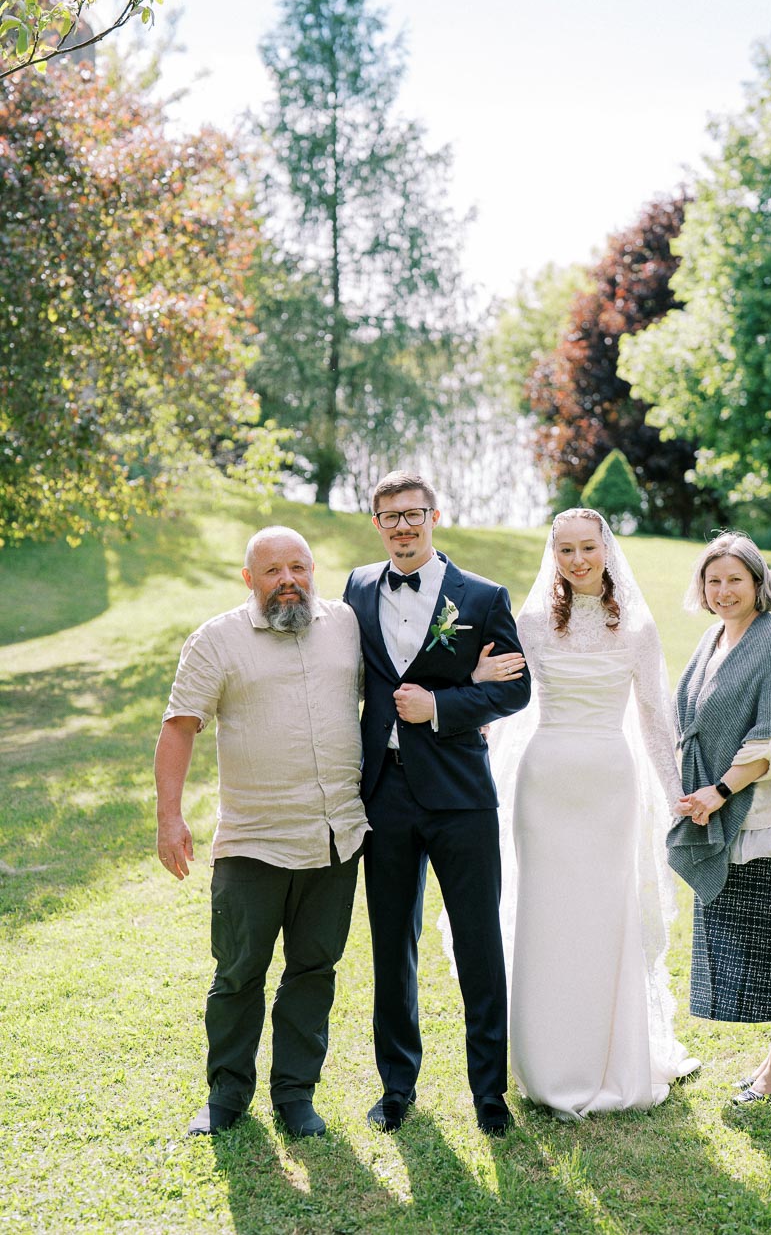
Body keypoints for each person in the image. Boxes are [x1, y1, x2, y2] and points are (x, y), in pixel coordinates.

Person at [471, 508, 699, 1117]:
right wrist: (474, 695)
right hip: (546, 782)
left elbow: (654, 715)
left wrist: (677, 790)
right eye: (565, 549)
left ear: (606, 549)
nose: (576, 560)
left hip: (608, 782)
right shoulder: (533, 621)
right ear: (554, 553)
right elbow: (505, 700)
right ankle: (547, 1062)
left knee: (604, 912)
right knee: (548, 913)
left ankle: (611, 1056)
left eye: (586, 549)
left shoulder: (638, 629)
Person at [154, 526, 369, 1139]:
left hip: (336, 837)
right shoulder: (216, 640)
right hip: (253, 840)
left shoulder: (347, 625)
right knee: (239, 973)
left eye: (297, 567)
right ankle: (226, 1096)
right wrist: (171, 818)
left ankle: (296, 1095)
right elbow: (179, 727)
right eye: (272, 571)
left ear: (312, 569)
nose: (288, 582)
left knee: (313, 970)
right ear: (249, 579)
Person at [343, 471, 530, 1136]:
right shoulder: (358, 588)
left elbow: (515, 690)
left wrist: (443, 706)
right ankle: (397, 1089)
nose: (401, 526)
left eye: (412, 514)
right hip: (384, 794)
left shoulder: (481, 596)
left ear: (434, 516)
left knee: (479, 943)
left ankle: (489, 1096)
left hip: (459, 795)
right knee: (392, 945)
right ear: (376, 523)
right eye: (388, 516)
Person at [668, 532, 771, 1104]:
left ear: (760, 583)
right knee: (768, 937)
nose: (723, 590)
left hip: (766, 816)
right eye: (714, 580)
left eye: (735, 579)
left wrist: (717, 791)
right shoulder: (714, 637)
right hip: (720, 807)